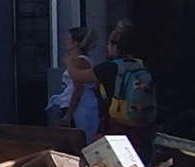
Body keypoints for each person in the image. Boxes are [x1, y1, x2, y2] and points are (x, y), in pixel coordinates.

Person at [65, 20, 157, 159]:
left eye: (109, 44)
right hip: (142, 125)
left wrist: (68, 62)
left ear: (116, 47)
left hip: (117, 125)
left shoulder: (109, 68)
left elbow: (78, 77)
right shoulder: (142, 65)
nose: (107, 47)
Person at [47, 27, 100, 142]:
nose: (65, 41)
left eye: (68, 39)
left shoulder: (80, 61)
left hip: (82, 105)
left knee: (80, 139)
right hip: (78, 103)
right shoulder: (76, 60)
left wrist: (69, 114)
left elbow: (78, 90)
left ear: (76, 43)